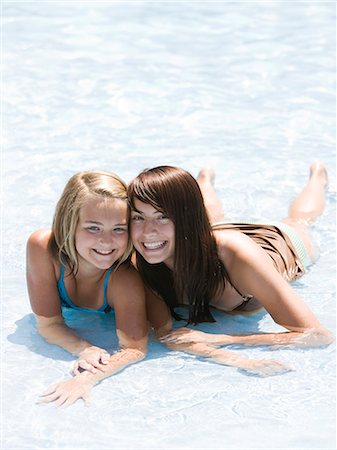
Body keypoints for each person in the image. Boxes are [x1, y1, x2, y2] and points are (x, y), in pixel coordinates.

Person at [127, 162, 334, 351]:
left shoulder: (239, 258)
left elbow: (316, 335)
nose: (147, 231)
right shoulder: (140, 263)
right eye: (138, 217)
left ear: (186, 219)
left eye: (162, 216)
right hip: (203, 236)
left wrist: (219, 339)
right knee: (214, 218)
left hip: (280, 244)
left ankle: (318, 177)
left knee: (300, 219)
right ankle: (205, 179)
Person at [26, 170, 148, 406]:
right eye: (93, 228)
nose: (107, 241)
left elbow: (135, 349)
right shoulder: (42, 248)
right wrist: (84, 349)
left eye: (119, 229)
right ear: (68, 224)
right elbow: (48, 324)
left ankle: (205, 181)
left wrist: (87, 378)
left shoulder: (124, 280)